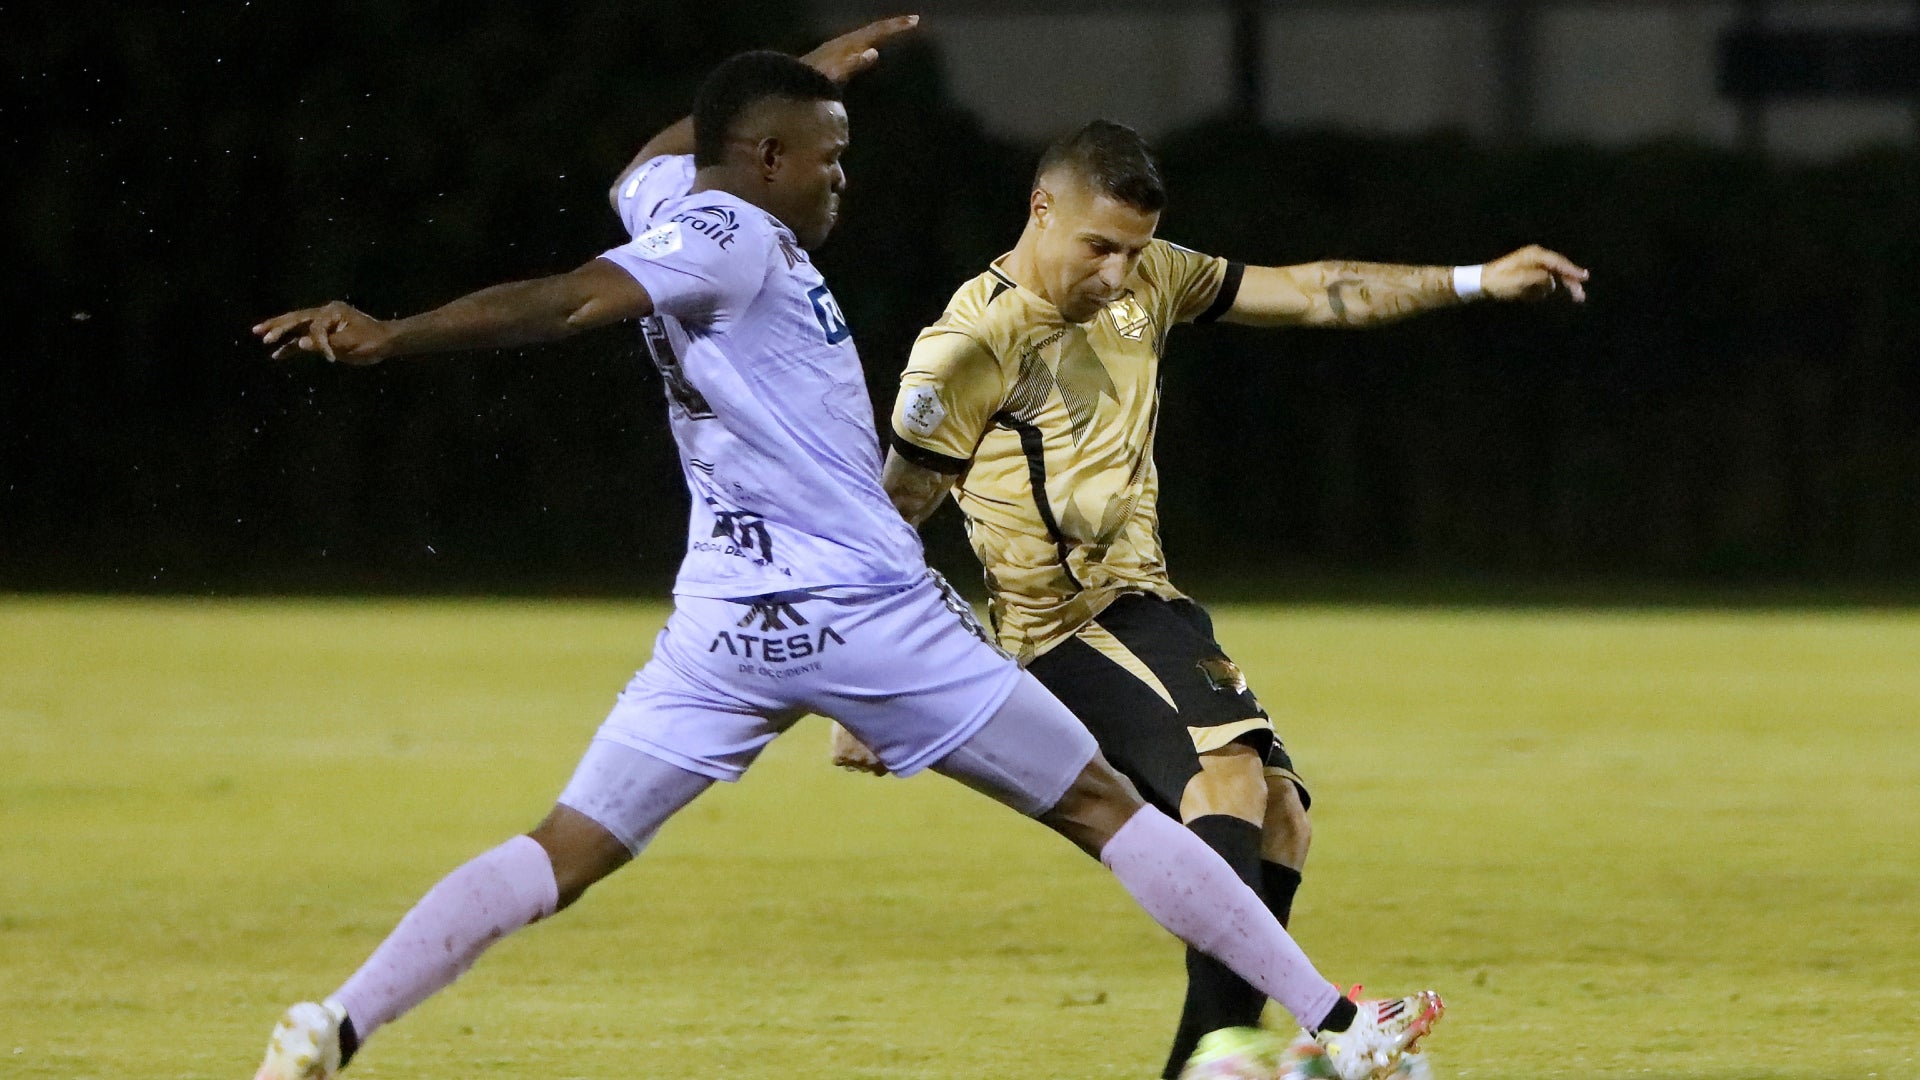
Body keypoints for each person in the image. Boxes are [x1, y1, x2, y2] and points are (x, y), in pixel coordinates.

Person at [245, 27, 1440, 1080]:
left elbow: (640, 169)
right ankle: (1338, 1023)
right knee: (1104, 806)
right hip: (867, 609)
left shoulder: (681, 202)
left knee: (560, 849)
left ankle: (333, 1025)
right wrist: (393, 335)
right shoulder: (733, 242)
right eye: (827, 155)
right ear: (765, 161)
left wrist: (798, 78)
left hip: (726, 621)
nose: (841, 180)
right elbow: (566, 303)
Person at [832, 119, 1585, 1078]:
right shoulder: (971, 342)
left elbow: (1313, 293)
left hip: (1151, 607)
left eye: (1132, 250)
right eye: (1096, 246)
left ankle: (1213, 1060)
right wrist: (863, 681)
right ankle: (1249, 1051)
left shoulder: (1153, 277)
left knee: (1279, 814)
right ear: (1041, 208)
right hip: (1068, 626)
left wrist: (1473, 280)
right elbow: (887, 513)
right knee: (1225, 777)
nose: (1114, 273)